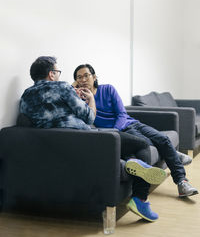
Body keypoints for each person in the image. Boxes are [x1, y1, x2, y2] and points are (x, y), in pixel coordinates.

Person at [19, 56, 167, 222]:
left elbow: (44, 116)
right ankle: (140, 199)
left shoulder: (25, 96)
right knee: (141, 145)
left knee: (126, 145)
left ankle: (129, 163)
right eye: (58, 72)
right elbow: (89, 117)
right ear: (51, 74)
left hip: (56, 146)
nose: (59, 76)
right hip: (88, 140)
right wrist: (90, 99)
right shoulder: (62, 87)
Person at [73, 64, 199, 215]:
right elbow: (80, 114)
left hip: (129, 123)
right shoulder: (80, 99)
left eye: (86, 75)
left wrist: (118, 129)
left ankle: (182, 182)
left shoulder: (108, 89)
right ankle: (170, 155)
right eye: (79, 77)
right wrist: (73, 88)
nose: (83, 79)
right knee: (144, 145)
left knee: (164, 139)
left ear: (94, 77)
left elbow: (121, 113)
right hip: (119, 133)